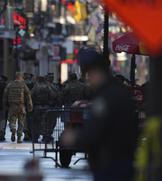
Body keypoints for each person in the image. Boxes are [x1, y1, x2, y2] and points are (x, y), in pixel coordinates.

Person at [62, 47, 138, 181]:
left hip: (112, 165)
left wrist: (74, 138)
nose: (89, 80)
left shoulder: (106, 97)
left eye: (90, 75)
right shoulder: (116, 91)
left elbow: (96, 131)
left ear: (97, 72)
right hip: (117, 161)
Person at [3, 72, 33, 143]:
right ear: (20, 77)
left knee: (11, 120)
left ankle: (13, 128)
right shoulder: (23, 85)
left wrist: (5, 105)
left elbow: (5, 95)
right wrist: (30, 105)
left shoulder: (9, 85)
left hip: (12, 107)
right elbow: (28, 95)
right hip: (21, 106)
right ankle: (19, 138)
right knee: (21, 122)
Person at [31, 76, 56, 142]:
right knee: (46, 122)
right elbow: (53, 95)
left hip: (37, 107)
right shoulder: (47, 87)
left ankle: (35, 137)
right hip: (46, 107)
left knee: (36, 122)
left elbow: (31, 95)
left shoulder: (35, 87)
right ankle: (46, 137)